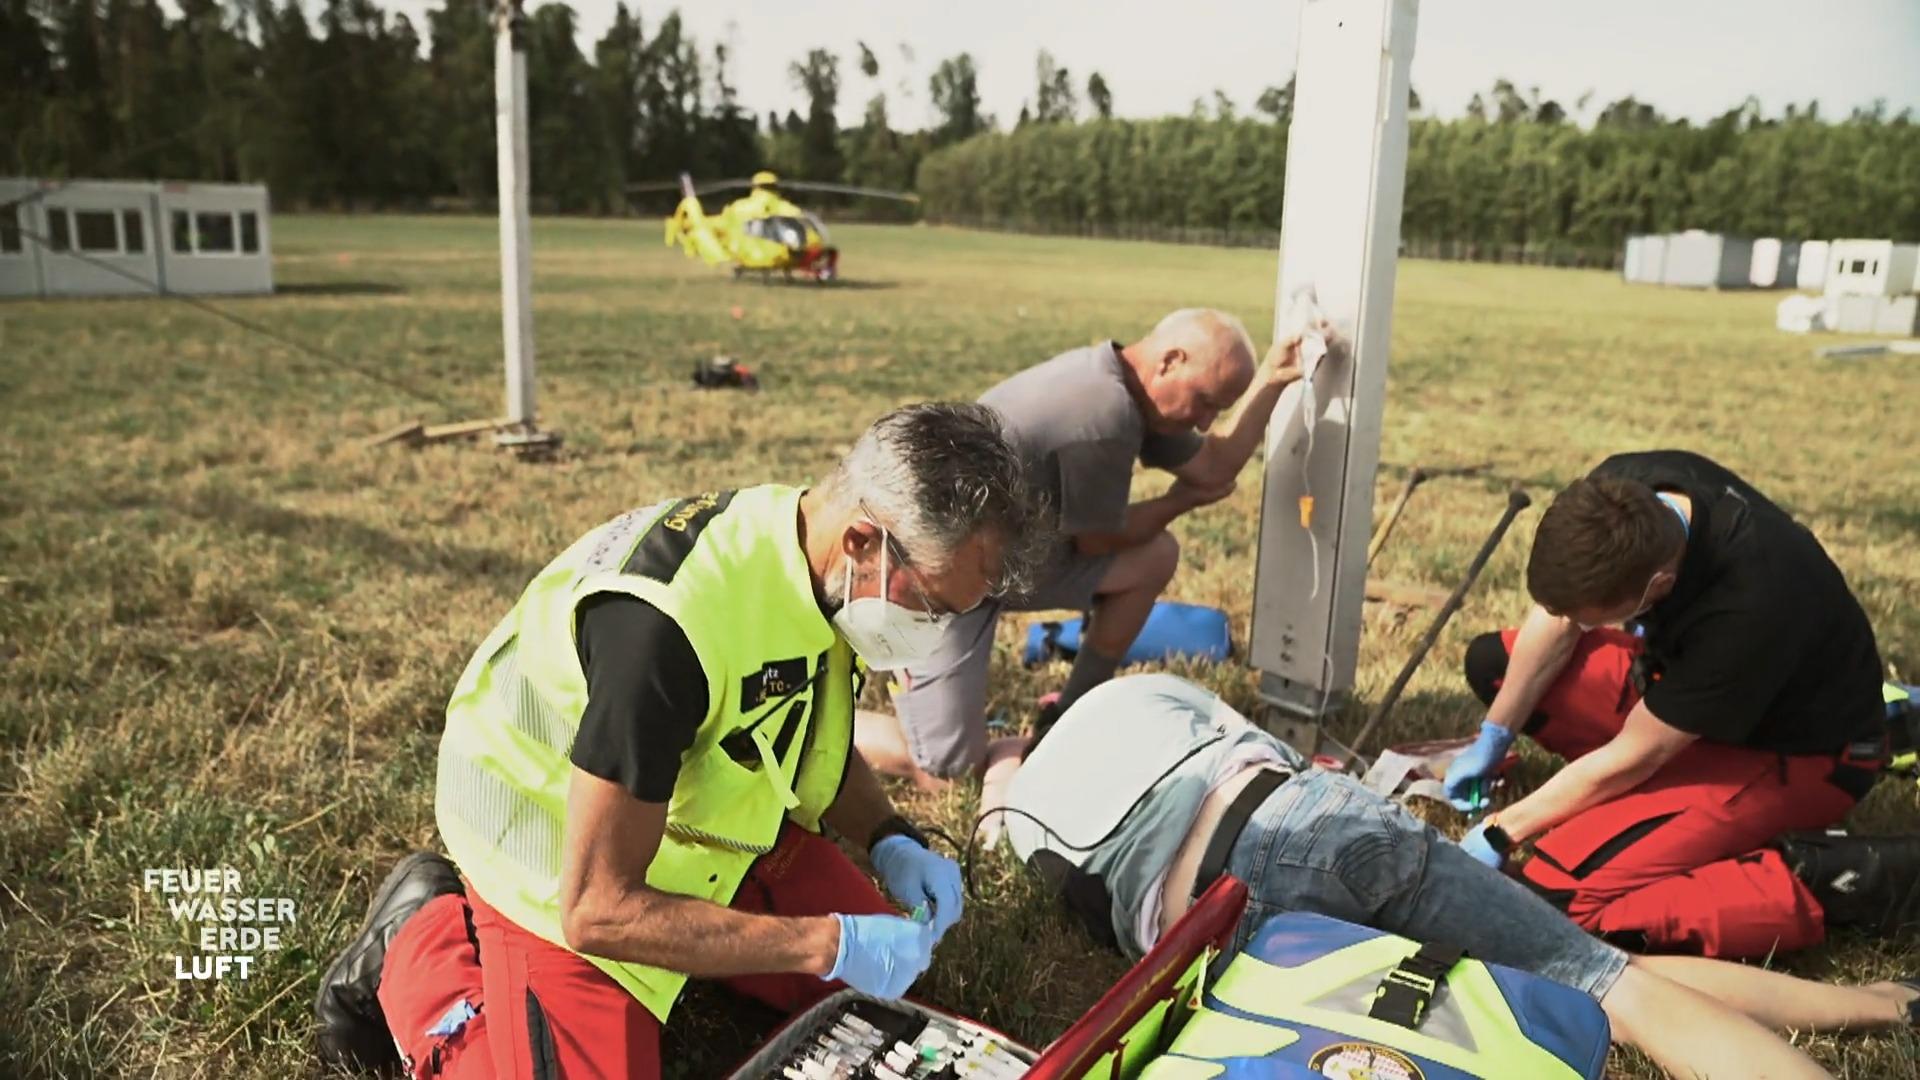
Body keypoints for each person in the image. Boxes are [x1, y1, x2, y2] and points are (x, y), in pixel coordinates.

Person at [311, 403, 1045, 1079]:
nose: (933, 636)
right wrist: (824, 943)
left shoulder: (821, 568)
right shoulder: (666, 630)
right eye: (932, 606)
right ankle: (420, 942)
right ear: (862, 541)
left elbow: (807, 734)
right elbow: (597, 909)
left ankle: (705, 949)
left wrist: (890, 837)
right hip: (550, 850)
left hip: (681, 818)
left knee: (888, 995)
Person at [1002, 673, 1919, 1080]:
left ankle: (1879, 1005)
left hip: (1224, 934)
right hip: (1303, 822)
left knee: (1570, 982)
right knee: (1609, 980)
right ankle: (1884, 1005)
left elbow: (1066, 892)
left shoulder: (1017, 819)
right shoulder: (1133, 693)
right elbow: (1275, 756)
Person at [1446, 450, 1903, 958]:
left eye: (1591, 619)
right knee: (1496, 664)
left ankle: (1826, 882)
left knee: (1554, 896)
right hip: (1685, 697)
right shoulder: (1618, 496)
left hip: (1800, 756)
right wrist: (1495, 734)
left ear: (1657, 585)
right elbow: (1560, 619)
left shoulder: (1750, 604)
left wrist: (1502, 831)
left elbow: (1637, 755)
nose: (1576, 624)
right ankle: (1661, 819)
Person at [856, 308, 1314, 796]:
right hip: (933, 581)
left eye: (1217, 410)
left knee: (1153, 557)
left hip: (1000, 563)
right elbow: (1100, 541)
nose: (1205, 421)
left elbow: (1213, 469)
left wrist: (1273, 377)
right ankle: (837, 720)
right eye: (1204, 402)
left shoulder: (1133, 390)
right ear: (1170, 361)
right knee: (947, 774)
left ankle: (1069, 714)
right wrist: (1179, 501)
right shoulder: (1104, 416)